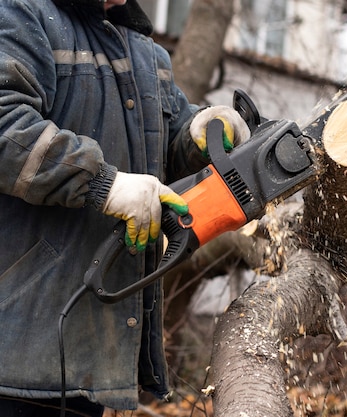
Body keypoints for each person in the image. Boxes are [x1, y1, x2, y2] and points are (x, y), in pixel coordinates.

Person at [0, 0, 250, 416]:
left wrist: (198, 131)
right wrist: (104, 184)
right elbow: (6, 126)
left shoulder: (144, 51)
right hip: (19, 344)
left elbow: (162, 146)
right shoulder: (23, 14)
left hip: (89, 345)